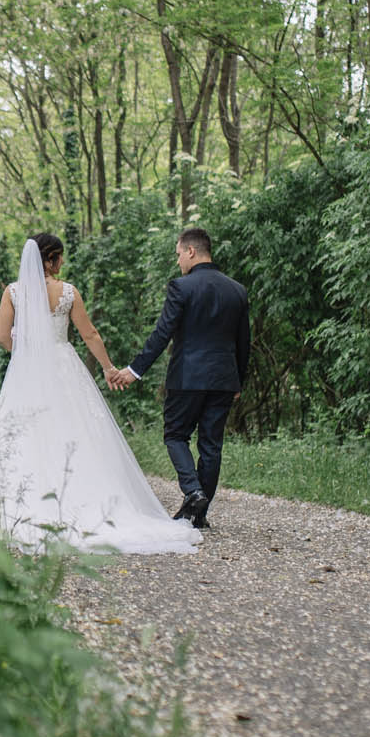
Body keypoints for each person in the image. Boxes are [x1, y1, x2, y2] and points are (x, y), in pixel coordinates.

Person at [0, 233, 202, 555]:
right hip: (64, 367)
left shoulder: (13, 292)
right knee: (76, 432)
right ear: (53, 259)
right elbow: (89, 333)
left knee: (24, 434)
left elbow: (4, 337)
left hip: (28, 370)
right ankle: (87, 504)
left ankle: (18, 509)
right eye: (59, 257)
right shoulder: (68, 292)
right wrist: (107, 368)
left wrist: (27, 350)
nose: (62, 262)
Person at [108, 226, 250, 530]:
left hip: (187, 376)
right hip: (224, 379)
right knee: (212, 445)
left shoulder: (181, 287)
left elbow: (163, 333)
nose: (178, 262)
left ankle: (193, 492)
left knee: (175, 435)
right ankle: (199, 515)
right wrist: (239, 380)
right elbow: (243, 341)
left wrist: (134, 370)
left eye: (178, 255)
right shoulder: (237, 290)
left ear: (191, 251)